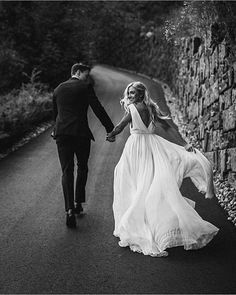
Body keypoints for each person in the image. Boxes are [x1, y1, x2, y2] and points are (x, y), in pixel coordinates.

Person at [106, 81, 219, 257]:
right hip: (153, 146)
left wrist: (111, 134)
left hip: (136, 148)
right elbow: (168, 126)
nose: (129, 96)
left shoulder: (132, 110)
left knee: (136, 182)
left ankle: (140, 221)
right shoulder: (151, 109)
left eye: (133, 93)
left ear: (141, 94)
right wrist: (184, 144)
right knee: (149, 181)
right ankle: (151, 219)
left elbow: (120, 126)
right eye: (129, 93)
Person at [53, 63, 114, 228]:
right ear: (77, 72)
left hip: (62, 134)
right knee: (82, 167)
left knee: (66, 171)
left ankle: (69, 211)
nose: (88, 78)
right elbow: (98, 108)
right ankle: (78, 202)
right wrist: (110, 129)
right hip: (80, 134)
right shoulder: (85, 86)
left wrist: (55, 130)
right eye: (86, 74)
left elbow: (56, 113)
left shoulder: (58, 88)